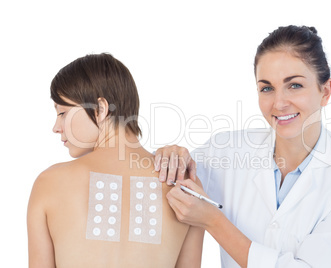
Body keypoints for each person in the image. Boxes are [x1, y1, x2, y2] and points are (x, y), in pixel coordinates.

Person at [154, 25, 331, 267]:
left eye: (294, 85)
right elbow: (167, 184)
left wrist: (213, 221)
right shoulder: (227, 149)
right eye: (267, 88)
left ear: (325, 91)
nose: (279, 103)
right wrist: (170, 157)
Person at [27, 53, 204, 268]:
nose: (56, 127)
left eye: (62, 112)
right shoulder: (184, 185)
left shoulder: (50, 182)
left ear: (100, 109)